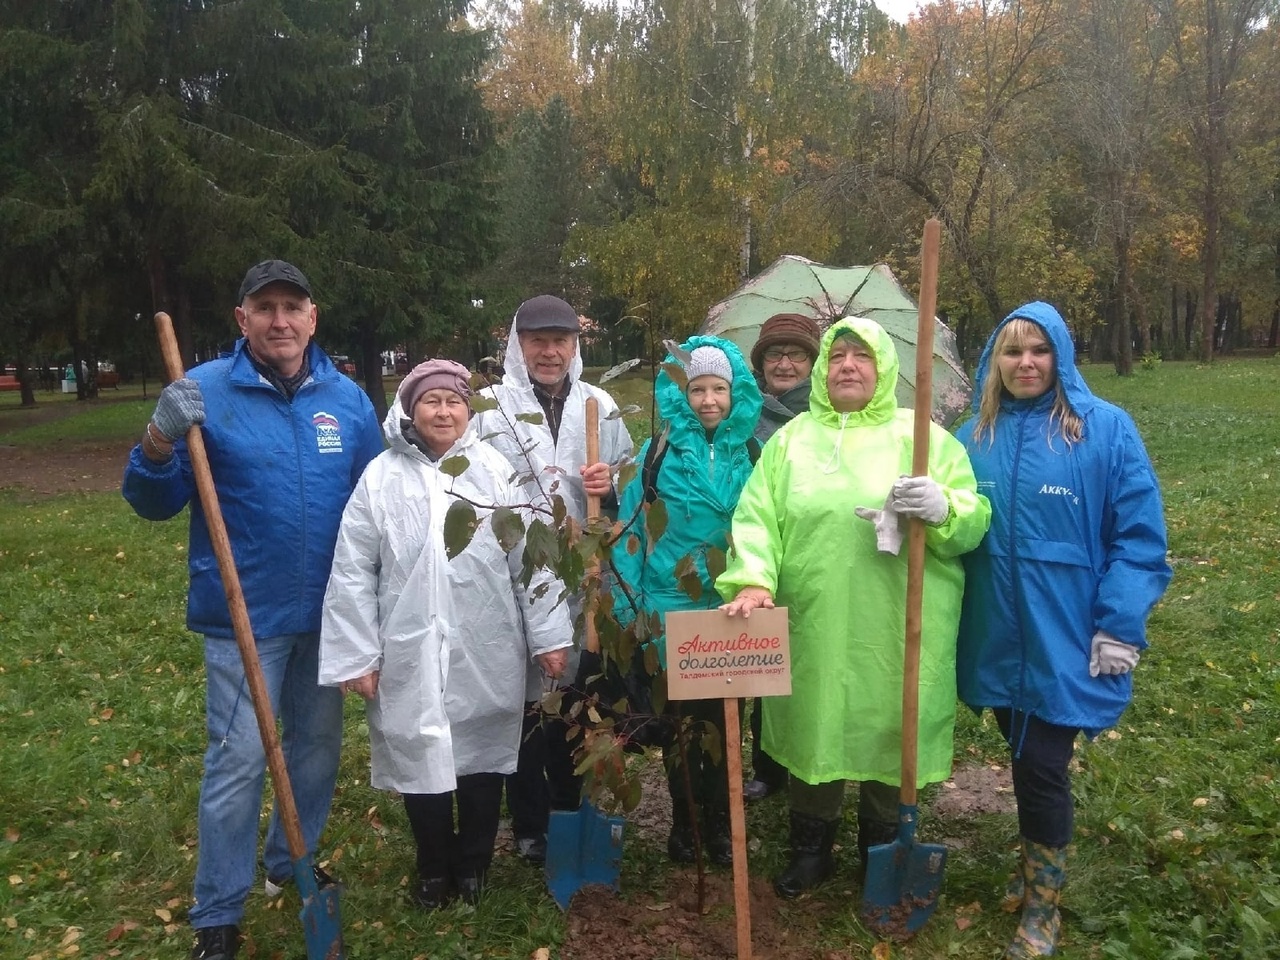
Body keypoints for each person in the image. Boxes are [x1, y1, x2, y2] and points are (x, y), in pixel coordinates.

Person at [122, 260, 383, 960]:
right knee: (237, 761)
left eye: (292, 307)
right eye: (264, 308)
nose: (279, 321)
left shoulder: (348, 401)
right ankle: (218, 910)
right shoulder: (202, 394)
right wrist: (156, 439)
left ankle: (286, 862)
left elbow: (380, 501)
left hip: (330, 617)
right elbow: (149, 501)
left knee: (319, 752)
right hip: (244, 615)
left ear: (312, 316)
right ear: (242, 319)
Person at [717, 315, 990, 898]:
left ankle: (880, 852)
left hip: (896, 624)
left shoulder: (923, 439)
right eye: (837, 356)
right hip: (814, 620)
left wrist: (943, 509)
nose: (847, 365)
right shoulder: (791, 442)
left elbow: (974, 521)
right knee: (815, 727)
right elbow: (757, 520)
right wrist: (752, 579)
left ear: (884, 369)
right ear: (822, 370)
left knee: (891, 728)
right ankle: (810, 852)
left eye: (861, 356)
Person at [955, 302, 1170, 959]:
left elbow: (1139, 539)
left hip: (1068, 638)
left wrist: (1119, 624)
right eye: (1013, 351)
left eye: (1039, 351)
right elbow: (955, 527)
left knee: (1043, 766)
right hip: (996, 639)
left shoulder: (1103, 431)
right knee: (1023, 759)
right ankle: (1032, 878)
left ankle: (1043, 907)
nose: (1026, 363)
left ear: (1061, 357)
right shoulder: (974, 437)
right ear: (995, 359)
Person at [318, 359, 571, 907]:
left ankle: (474, 861)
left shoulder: (492, 470)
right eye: (431, 401)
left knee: (481, 749)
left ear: (468, 409)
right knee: (416, 749)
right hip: (408, 644)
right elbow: (354, 569)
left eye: (455, 400)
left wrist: (549, 636)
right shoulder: (381, 477)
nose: (443, 410)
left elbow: (530, 559)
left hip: (487, 640)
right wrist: (357, 654)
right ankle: (434, 864)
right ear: (410, 409)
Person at [471, 294, 634, 864]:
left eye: (559, 340)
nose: (549, 351)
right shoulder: (490, 410)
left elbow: (627, 496)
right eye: (536, 340)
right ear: (517, 345)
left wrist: (606, 487)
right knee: (524, 701)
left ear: (574, 345)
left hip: (582, 578)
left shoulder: (602, 406)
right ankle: (529, 818)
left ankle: (568, 808)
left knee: (573, 697)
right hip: (515, 575)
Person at [612, 337, 762, 865]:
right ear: (681, 394)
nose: (708, 400)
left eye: (718, 388)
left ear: (735, 391)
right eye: (696, 389)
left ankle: (721, 823)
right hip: (672, 610)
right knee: (682, 726)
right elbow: (630, 534)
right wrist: (631, 608)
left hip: (731, 610)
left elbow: (766, 526)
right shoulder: (656, 455)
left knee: (725, 722)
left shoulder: (752, 453)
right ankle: (687, 824)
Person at [741, 312, 822, 802]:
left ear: (813, 363)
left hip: (811, 553)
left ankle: (808, 757)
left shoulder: (829, 413)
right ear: (761, 362)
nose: (785, 363)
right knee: (758, 661)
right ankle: (768, 768)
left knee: (806, 665)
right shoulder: (745, 411)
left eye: (797, 354)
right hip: (754, 551)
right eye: (775, 354)